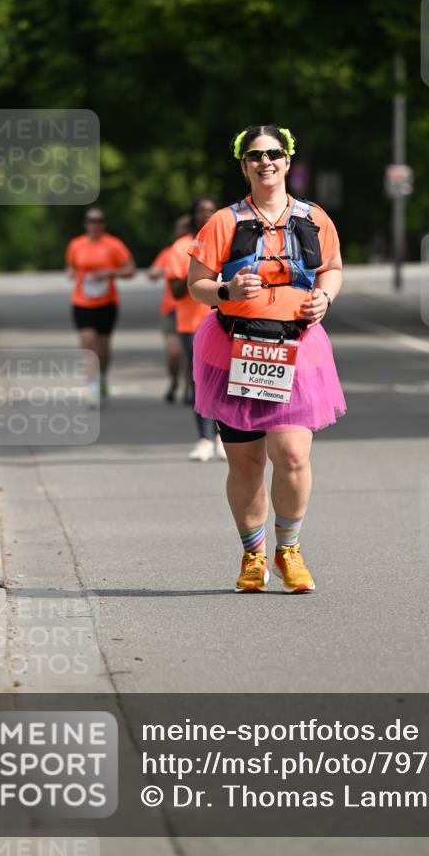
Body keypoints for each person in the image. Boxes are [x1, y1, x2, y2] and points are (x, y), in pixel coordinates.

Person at [187, 125, 345, 593]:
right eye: (256, 156)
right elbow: (195, 283)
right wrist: (225, 290)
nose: (266, 162)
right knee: (247, 464)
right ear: (244, 165)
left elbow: (331, 269)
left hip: (297, 351)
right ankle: (253, 556)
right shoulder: (223, 221)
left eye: (274, 153)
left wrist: (325, 299)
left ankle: (289, 550)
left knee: (293, 455)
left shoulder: (314, 217)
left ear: (288, 160)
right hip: (233, 349)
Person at [166, 197, 226, 462]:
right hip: (192, 324)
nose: (206, 216)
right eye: (201, 212)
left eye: (211, 211)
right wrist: (199, 273)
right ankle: (203, 438)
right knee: (199, 381)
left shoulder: (229, 240)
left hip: (226, 320)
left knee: (226, 379)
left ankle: (222, 436)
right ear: (192, 216)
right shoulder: (181, 247)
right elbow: (176, 291)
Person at [65, 207, 135, 402]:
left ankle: (103, 376)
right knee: (87, 342)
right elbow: (70, 266)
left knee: (103, 347)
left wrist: (110, 273)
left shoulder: (113, 245)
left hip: (107, 302)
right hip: (82, 301)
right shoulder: (76, 244)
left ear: (103, 224)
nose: (95, 224)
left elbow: (130, 269)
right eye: (91, 220)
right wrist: (71, 273)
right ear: (85, 223)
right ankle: (92, 386)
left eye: (99, 220)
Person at [148, 214, 191, 402]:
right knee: (174, 353)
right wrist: (162, 271)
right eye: (180, 228)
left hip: (192, 311)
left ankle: (190, 391)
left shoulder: (197, 248)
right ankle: (174, 381)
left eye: (186, 228)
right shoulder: (171, 252)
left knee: (191, 355)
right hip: (171, 309)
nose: (183, 231)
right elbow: (152, 273)